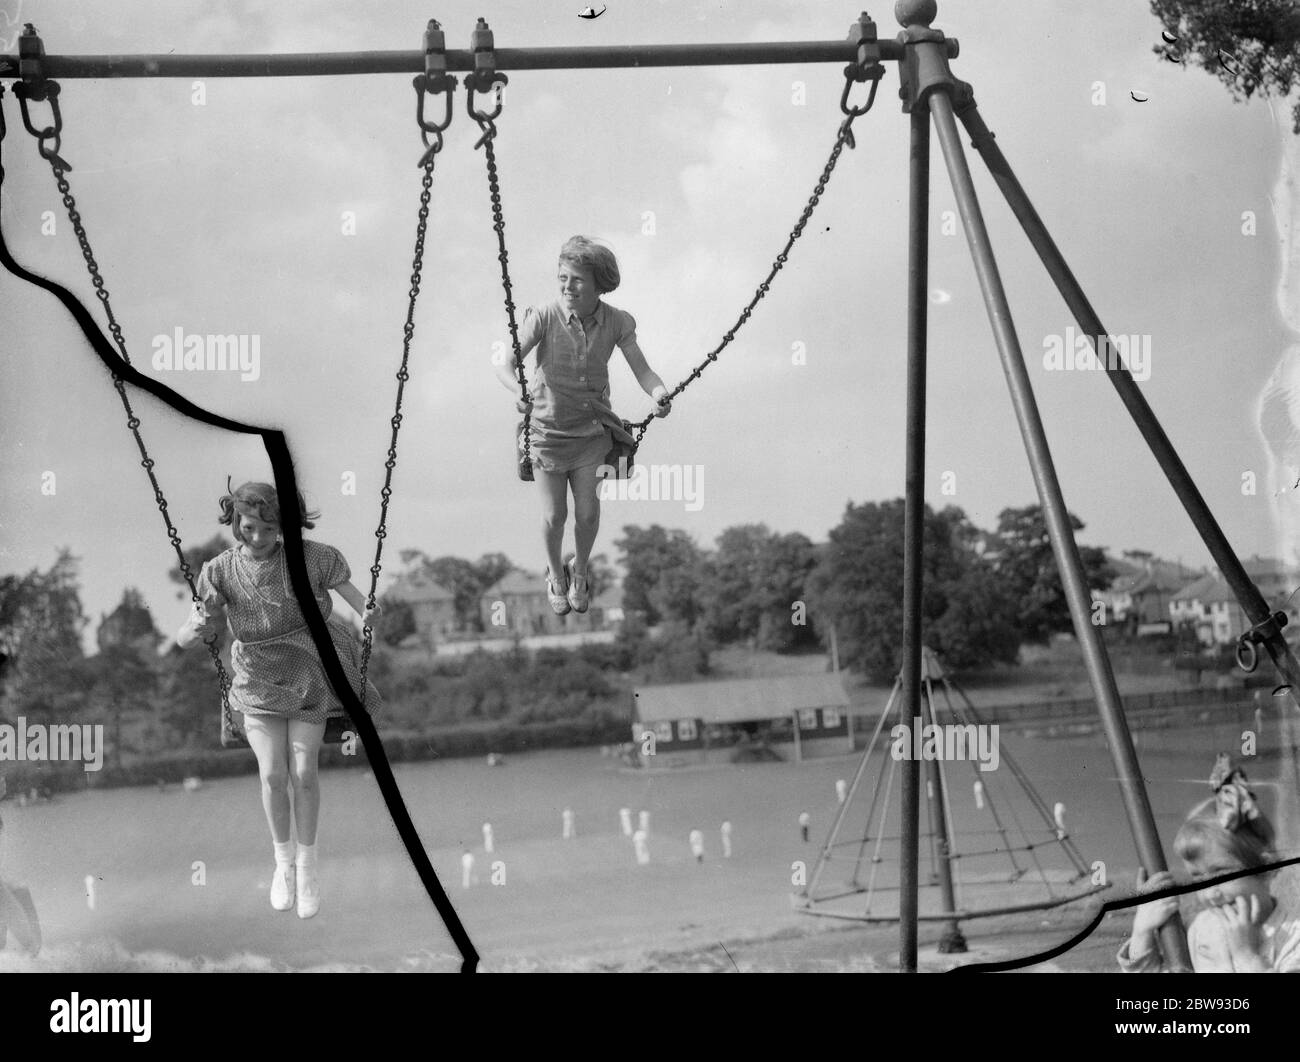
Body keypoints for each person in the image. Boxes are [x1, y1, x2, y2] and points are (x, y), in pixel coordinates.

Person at [176, 480, 381, 919]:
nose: (258, 536)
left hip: (309, 668)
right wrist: (193, 629)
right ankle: (283, 865)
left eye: (269, 529)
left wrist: (369, 616)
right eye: (250, 527)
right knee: (272, 775)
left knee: (303, 771)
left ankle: (307, 868)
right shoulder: (220, 570)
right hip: (256, 677)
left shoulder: (310, 558)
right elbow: (184, 637)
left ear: (283, 526)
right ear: (236, 521)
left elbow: (360, 603)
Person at [496, 236, 670, 615]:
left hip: (591, 433)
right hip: (547, 432)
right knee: (555, 516)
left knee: (588, 513)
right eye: (562, 277)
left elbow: (642, 370)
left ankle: (581, 573)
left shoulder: (617, 322)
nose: (566, 286)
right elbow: (504, 364)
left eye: (576, 279)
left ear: (598, 284)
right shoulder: (543, 316)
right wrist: (518, 392)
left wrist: (659, 395)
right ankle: (555, 574)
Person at [1120, 755, 1300, 972]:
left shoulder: (1293, 936)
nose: (1210, 894)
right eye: (1199, 880)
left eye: (1221, 875)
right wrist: (1142, 931)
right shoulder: (1202, 928)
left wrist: (1248, 957)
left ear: (1265, 869)